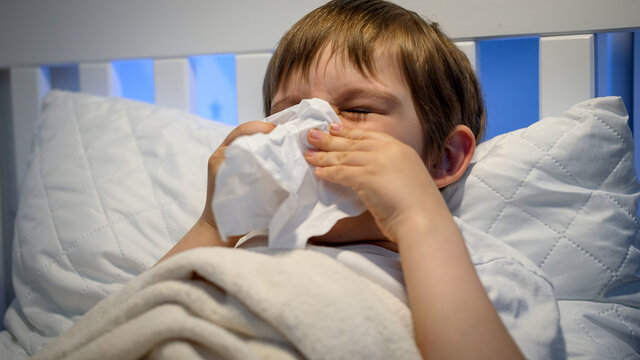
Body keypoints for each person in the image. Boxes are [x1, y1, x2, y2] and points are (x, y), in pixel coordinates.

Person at [159, 0, 529, 358]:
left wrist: (419, 217)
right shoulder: (250, 245)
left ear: (442, 158)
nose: (312, 127)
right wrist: (217, 221)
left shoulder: (478, 272)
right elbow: (138, 316)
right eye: (289, 113)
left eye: (357, 109)